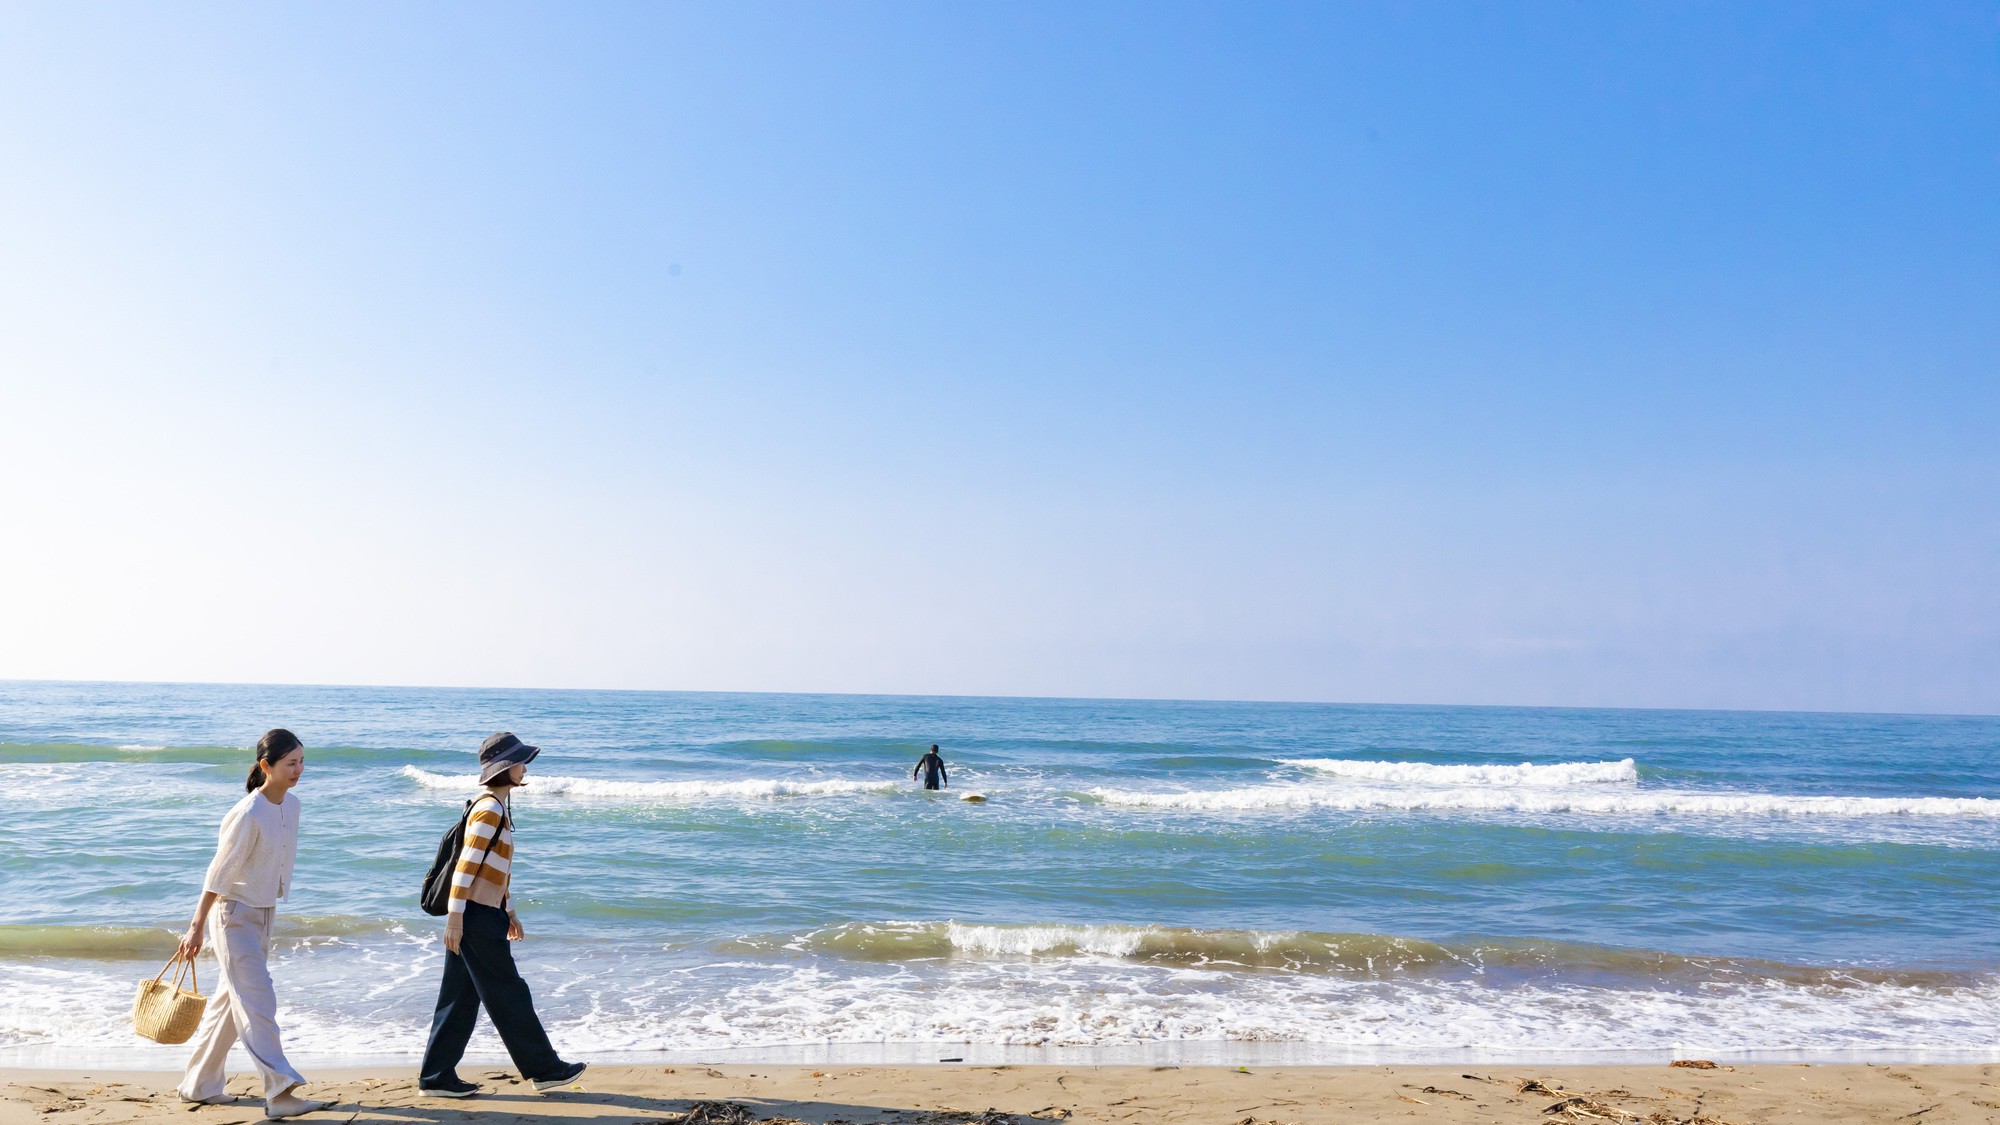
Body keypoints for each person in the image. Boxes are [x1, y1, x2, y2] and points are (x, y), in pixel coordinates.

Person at [417, 732, 587, 1098]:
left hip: (481, 913)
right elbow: (465, 867)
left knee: (458, 997)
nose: (526, 768)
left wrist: (509, 911)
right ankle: (545, 1070)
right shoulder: (490, 808)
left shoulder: (498, 806)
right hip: (474, 917)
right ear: (506, 768)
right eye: (521, 762)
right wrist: (456, 919)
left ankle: (436, 1077)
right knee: (510, 992)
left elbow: (493, 870)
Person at [174, 729, 328, 1120]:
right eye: (290, 763)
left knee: (230, 1003)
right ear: (266, 766)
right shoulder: (247, 812)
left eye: (302, 762)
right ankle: (279, 1092)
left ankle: (199, 1085)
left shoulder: (291, 806)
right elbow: (217, 874)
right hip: (232, 916)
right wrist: (195, 927)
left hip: (263, 913)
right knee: (259, 1002)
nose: (298, 770)